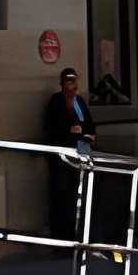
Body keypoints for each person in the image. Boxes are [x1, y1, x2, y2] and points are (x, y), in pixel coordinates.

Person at [44, 67, 97, 240]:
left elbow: (88, 126)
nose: (72, 85)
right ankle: (61, 236)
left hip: (78, 154)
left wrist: (85, 144)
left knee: (78, 195)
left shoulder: (78, 102)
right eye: (68, 81)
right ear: (62, 83)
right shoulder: (56, 101)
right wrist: (69, 131)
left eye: (74, 81)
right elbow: (52, 127)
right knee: (61, 195)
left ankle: (79, 233)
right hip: (61, 157)